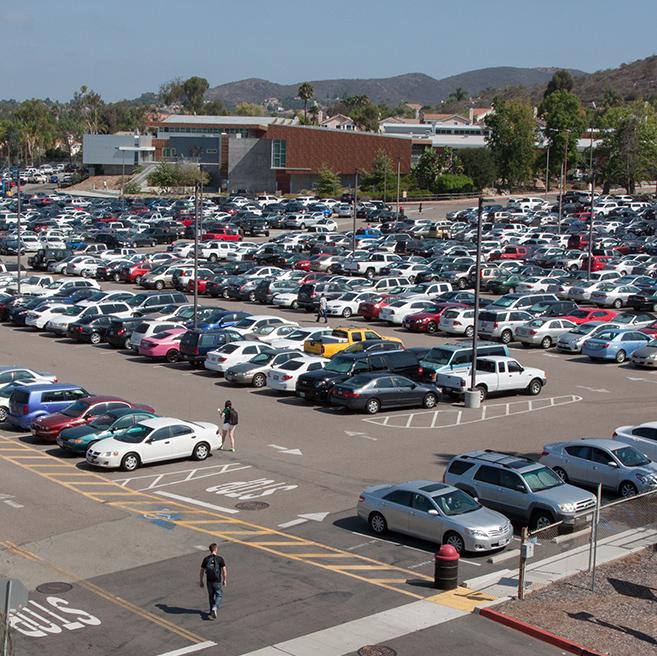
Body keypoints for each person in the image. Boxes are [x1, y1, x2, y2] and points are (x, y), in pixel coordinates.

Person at [199, 543, 227, 620]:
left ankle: (212, 610)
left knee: (211, 596)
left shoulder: (206, 559)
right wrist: (224, 580)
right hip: (217, 580)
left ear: (210, 550)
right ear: (216, 549)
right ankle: (215, 608)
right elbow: (224, 571)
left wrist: (201, 581)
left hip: (209, 581)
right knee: (219, 595)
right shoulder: (220, 559)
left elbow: (201, 571)